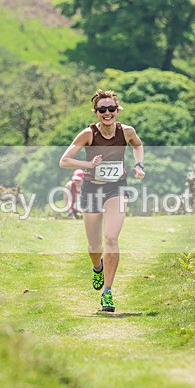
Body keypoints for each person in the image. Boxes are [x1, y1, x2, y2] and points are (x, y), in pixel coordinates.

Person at [59, 89, 145, 312]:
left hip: (116, 188)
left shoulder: (126, 132)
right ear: (96, 112)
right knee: (94, 246)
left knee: (112, 238)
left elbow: (137, 145)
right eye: (102, 109)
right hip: (91, 190)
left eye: (111, 108)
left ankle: (107, 291)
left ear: (117, 110)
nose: (107, 113)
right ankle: (97, 267)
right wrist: (88, 165)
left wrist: (139, 165)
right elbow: (64, 161)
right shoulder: (88, 134)